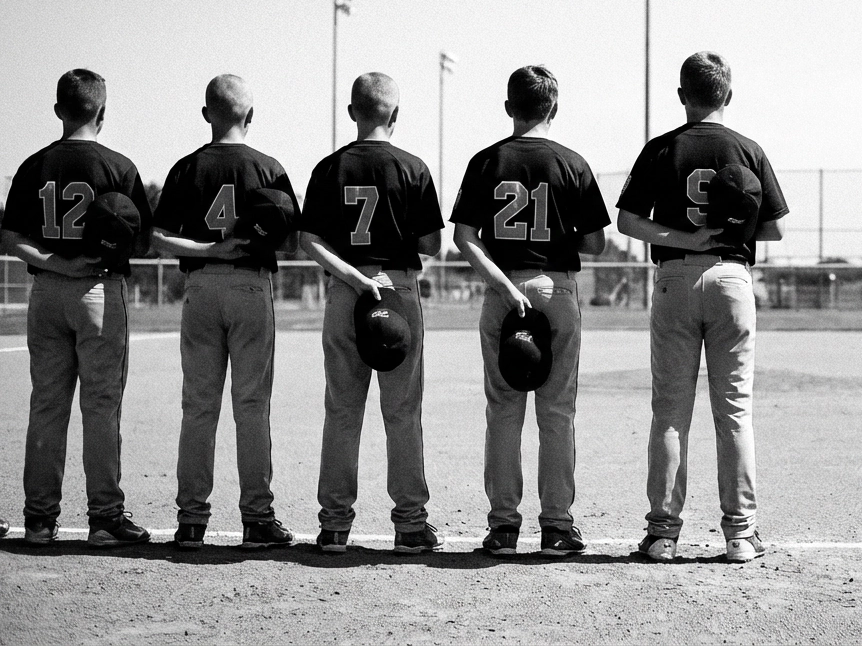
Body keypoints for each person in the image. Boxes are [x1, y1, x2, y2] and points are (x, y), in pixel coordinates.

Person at [616, 51, 788, 563]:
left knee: (670, 412)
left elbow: (626, 221)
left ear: (681, 96)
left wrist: (685, 239)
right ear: (728, 96)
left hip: (674, 277)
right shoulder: (747, 149)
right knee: (734, 412)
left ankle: (663, 534)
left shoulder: (661, 148)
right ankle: (740, 534)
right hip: (733, 279)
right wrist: (730, 231)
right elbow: (776, 228)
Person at [451, 66, 609, 557]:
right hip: (556, 291)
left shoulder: (485, 161)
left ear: (508, 107)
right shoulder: (573, 163)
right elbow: (597, 243)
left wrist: (499, 280)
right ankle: (558, 527)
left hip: (503, 292)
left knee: (503, 411)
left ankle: (502, 528)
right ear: (554, 108)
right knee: (557, 413)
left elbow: (463, 237)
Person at [0, 69, 154, 547]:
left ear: (57, 109)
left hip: (45, 292)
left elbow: (9, 237)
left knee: (47, 405)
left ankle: (40, 521)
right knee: (101, 407)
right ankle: (105, 518)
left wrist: (55, 264)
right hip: (98, 292)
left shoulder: (33, 165)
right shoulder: (119, 167)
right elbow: (143, 242)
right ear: (102, 112)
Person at [298, 72, 446, 555]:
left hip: (346, 289)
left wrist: (353, 277)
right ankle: (409, 526)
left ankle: (335, 526)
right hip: (397, 288)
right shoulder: (413, 167)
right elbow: (431, 245)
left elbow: (309, 239)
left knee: (342, 409)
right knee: (402, 411)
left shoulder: (328, 167)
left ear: (352, 112)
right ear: (395, 115)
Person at [151, 75, 298, 550]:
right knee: (251, 406)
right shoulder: (268, 167)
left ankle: (191, 520)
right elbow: (291, 236)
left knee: (198, 407)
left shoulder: (186, 167)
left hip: (200, 287)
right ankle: (257, 520)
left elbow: (158, 236)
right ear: (250, 116)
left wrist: (210, 246)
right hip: (250, 286)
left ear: (206, 113)